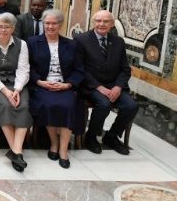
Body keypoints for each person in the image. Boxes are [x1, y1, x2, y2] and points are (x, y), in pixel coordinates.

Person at [75, 10, 137, 155]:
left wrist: (118, 86)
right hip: (91, 86)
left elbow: (125, 69)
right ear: (93, 22)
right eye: (98, 20)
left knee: (131, 106)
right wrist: (98, 87)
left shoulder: (118, 42)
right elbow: (80, 69)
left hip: (114, 85)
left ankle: (111, 136)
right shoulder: (81, 40)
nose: (101, 24)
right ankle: (90, 137)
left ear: (112, 24)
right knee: (104, 104)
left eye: (106, 21)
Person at [28, 9, 84, 169]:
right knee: (48, 105)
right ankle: (54, 143)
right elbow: (28, 67)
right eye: (47, 23)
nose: (50, 26)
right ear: (43, 24)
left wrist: (67, 85)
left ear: (60, 25)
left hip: (64, 86)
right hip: (43, 86)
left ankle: (64, 150)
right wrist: (39, 82)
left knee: (67, 106)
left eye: (54, 23)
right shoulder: (32, 42)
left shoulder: (71, 44)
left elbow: (79, 69)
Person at [0, 13, 32, 172]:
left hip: (16, 82)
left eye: (7, 26)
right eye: (0, 26)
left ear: (13, 28)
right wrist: (5, 91)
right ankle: (17, 151)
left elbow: (24, 70)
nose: (3, 29)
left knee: (23, 105)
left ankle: (15, 152)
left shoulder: (21, 44)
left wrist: (17, 89)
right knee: (3, 104)